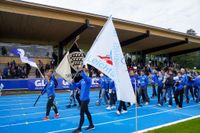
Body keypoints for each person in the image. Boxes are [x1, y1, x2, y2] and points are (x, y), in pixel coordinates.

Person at [72, 67, 95, 133]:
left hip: (85, 100)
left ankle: (79, 129)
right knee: (87, 112)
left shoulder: (89, 80)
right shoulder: (82, 80)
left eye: (85, 72)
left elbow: (84, 76)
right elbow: (76, 86)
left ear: (86, 73)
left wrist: (81, 70)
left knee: (81, 113)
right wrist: (73, 82)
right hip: (82, 99)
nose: (83, 73)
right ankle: (91, 125)